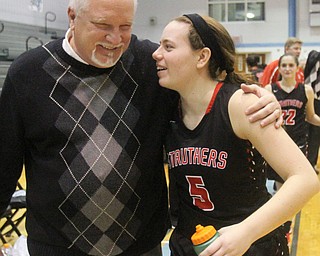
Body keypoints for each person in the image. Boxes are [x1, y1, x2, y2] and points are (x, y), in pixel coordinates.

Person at [0, 0, 283, 255]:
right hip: (56, 247)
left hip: (140, 246)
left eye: (125, 26)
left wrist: (261, 97)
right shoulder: (28, 73)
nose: (115, 38)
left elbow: (205, 88)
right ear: (72, 17)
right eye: (102, 25)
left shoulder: (151, 65)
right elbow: (4, 166)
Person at [152, 14, 320, 256]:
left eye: (168, 47)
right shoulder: (168, 106)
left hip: (248, 245)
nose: (156, 54)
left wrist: (246, 232)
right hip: (190, 243)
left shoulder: (241, 104)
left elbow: (305, 179)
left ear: (202, 57)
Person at [265, 53, 320, 186]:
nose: (287, 68)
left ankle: (297, 208)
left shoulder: (307, 90)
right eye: (284, 65)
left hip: (298, 142)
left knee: (297, 181)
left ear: (297, 68)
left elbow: (310, 116)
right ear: (279, 68)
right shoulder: (270, 89)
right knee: (281, 184)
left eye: (291, 65)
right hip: (278, 141)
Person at [304, 50, 320, 174]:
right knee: (313, 133)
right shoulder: (315, 57)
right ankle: (309, 163)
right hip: (314, 98)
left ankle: (311, 163)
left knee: (315, 134)